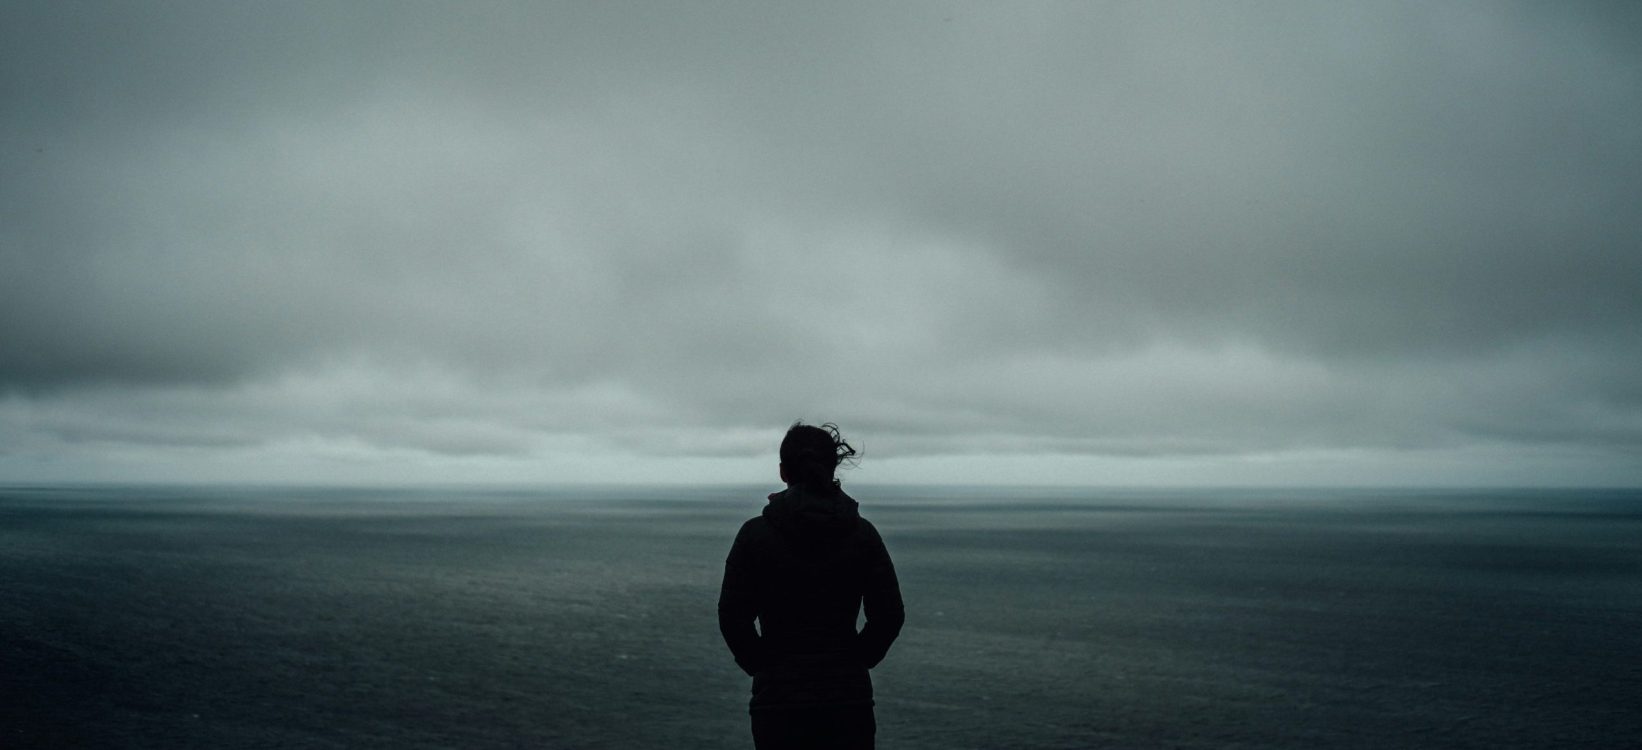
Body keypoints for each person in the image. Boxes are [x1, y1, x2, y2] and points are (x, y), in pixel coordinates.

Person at [718, 422, 905, 750]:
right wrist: (855, 661)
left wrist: (764, 666)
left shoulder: (755, 535)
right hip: (848, 701)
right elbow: (889, 616)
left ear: (782, 471)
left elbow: (733, 617)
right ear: (832, 468)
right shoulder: (862, 534)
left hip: (778, 702)